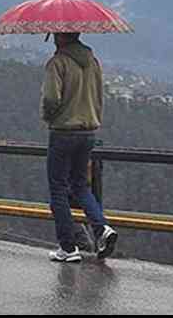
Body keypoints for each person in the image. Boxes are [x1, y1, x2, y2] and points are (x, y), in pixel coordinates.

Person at [41, 33, 117, 263]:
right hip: (88, 133)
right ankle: (102, 227)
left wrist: (49, 118)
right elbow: (99, 97)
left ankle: (68, 247)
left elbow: (51, 98)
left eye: (55, 34)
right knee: (81, 186)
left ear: (60, 37)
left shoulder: (58, 62)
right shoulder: (93, 61)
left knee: (58, 189)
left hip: (63, 132)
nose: (53, 38)